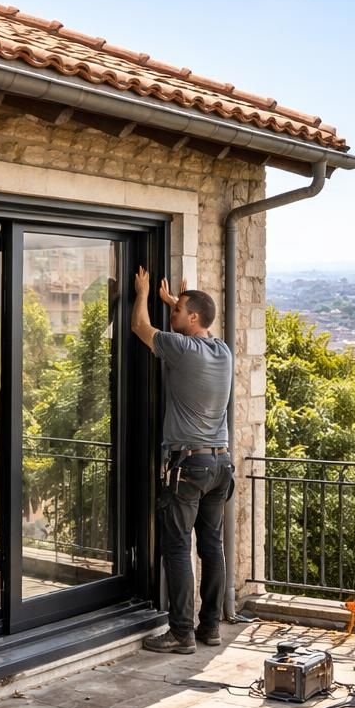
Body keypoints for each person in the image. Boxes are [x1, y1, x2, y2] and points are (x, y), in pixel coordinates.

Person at [130, 266, 234, 654]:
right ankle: (210, 627)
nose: (171, 313)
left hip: (188, 467)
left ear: (192, 318)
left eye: (176, 311)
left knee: (177, 549)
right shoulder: (222, 350)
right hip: (220, 465)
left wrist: (143, 292)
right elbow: (194, 321)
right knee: (212, 547)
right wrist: (178, 302)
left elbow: (140, 327)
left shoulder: (182, 349)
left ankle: (181, 633)